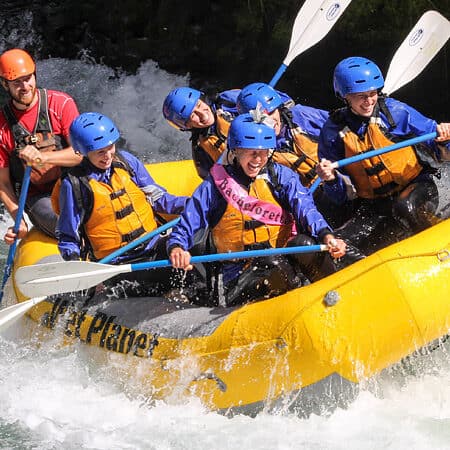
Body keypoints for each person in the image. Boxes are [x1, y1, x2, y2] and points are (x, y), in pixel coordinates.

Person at [167, 113, 351, 307]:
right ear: (235, 150)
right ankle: (299, 306)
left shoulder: (280, 176)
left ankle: (340, 296)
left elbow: (307, 210)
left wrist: (326, 235)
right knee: (271, 262)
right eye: (251, 152)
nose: (258, 159)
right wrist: (177, 247)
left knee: (303, 243)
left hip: (284, 261)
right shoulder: (214, 187)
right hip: (238, 276)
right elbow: (188, 222)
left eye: (263, 152)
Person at [316, 56, 450, 254]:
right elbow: (339, 197)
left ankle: (439, 250)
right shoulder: (333, 133)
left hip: (418, 185)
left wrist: (444, 138)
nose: (369, 100)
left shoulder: (394, 112)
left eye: (372, 93)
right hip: (375, 203)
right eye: (361, 95)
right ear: (345, 96)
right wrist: (330, 179)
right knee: (340, 246)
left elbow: (436, 142)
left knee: (405, 207)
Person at [54, 112, 190, 296]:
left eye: (110, 147)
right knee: (153, 291)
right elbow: (68, 236)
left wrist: (193, 205)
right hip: (119, 266)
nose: (108, 155)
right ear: (83, 151)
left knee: (195, 251)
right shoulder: (75, 184)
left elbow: (158, 199)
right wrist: (74, 262)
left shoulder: (126, 161)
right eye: (99, 152)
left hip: (154, 249)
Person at [236, 82, 354, 227]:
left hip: (344, 178)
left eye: (272, 113)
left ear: (279, 109)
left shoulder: (302, 115)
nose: (270, 121)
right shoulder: (255, 149)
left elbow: (344, 124)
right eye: (261, 119)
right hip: (313, 202)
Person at [0, 48, 82, 243]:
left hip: (72, 182)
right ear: (5, 85)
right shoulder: (2, 125)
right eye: (16, 82)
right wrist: (17, 219)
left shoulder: (61, 103)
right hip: (38, 196)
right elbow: (3, 183)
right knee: (66, 224)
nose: (25, 86)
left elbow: (80, 154)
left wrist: (43, 157)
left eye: (28, 78)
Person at [162, 86, 240, 179]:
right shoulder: (200, 151)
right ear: (187, 126)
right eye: (193, 116)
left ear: (203, 99)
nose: (203, 114)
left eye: (199, 105)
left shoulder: (228, 100)